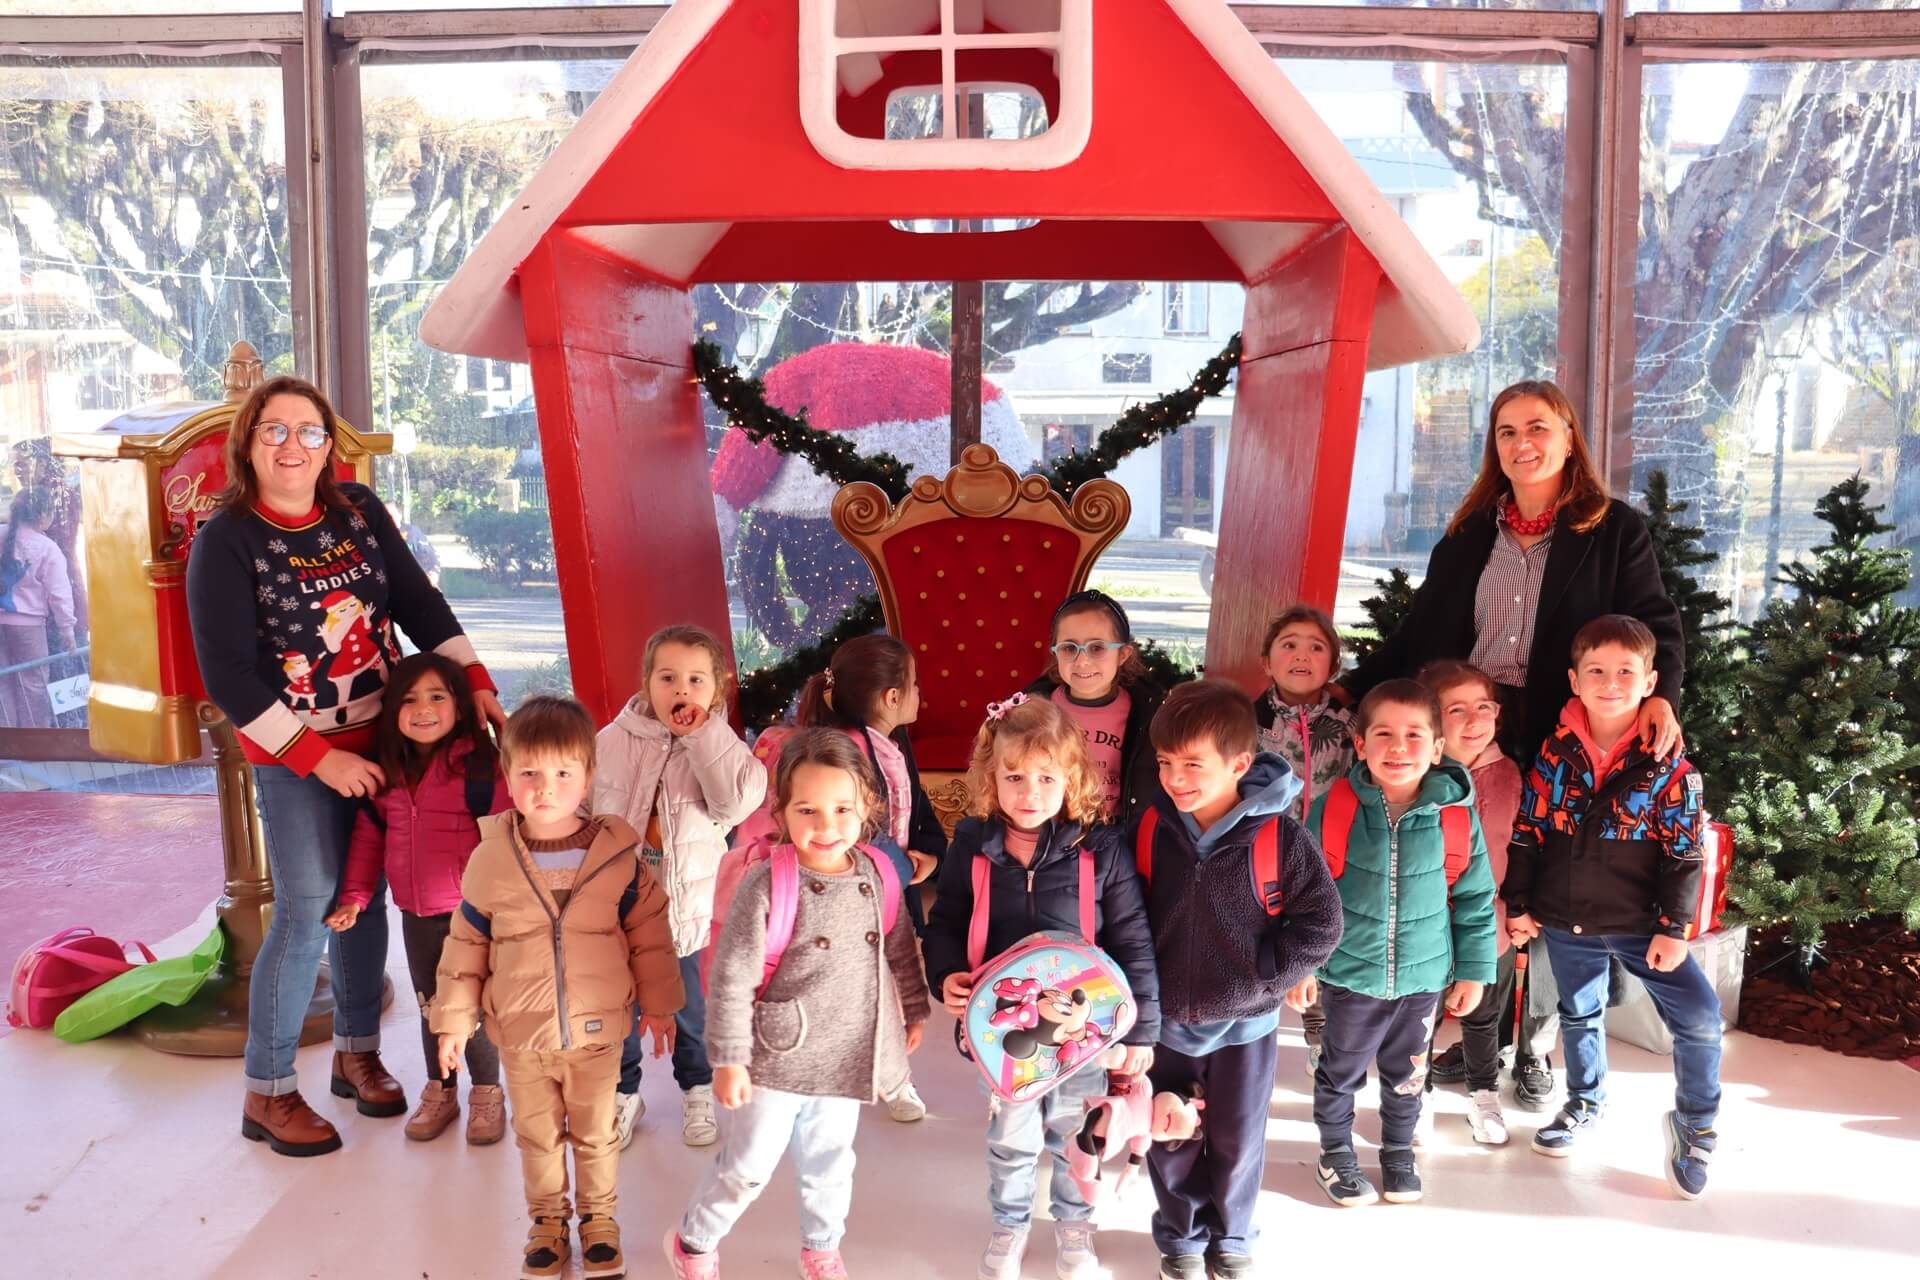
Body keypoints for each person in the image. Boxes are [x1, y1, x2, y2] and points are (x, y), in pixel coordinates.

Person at [1342, 378, 1686, 1108]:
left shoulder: (1613, 530)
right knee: (1483, 884)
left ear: (1568, 437)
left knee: (1549, 891)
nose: (1522, 443)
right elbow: (1418, 631)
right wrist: (1354, 688)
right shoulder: (1470, 535)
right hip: (1475, 727)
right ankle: (1481, 1040)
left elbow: (1655, 625)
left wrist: (1660, 696)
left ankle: (1534, 1047)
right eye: (1506, 431)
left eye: (1537, 428)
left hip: (1564, 731)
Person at [187, 375, 506, 1157]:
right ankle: (268, 1090)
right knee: (307, 907)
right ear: (247, 443)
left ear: (329, 445)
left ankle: (356, 1052)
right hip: (294, 752)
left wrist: (473, 678)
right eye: (274, 430)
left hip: (387, 741)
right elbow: (228, 676)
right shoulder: (225, 539)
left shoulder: (358, 510)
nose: (292, 445)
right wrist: (320, 759)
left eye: (309, 431)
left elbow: (417, 602)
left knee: (365, 900)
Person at [663, 728, 930, 1280]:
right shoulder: (767, 883)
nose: (826, 826)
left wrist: (914, 1005)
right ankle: (694, 1240)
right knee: (747, 1166)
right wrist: (728, 1058)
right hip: (776, 1056)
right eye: (807, 809)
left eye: (842, 809)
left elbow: (899, 945)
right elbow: (733, 975)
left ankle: (821, 1249)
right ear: (781, 810)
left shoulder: (877, 874)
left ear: (867, 807)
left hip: (846, 1053)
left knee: (830, 1164)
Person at [433, 696, 683, 1280]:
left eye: (563, 774)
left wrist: (661, 1005)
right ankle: (547, 1221)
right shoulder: (491, 858)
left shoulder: (617, 856)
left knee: (596, 1135)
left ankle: (599, 1221)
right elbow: (466, 945)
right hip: (522, 1036)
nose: (546, 788)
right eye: (530, 773)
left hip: (597, 1034)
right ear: (508, 775)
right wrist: (453, 1021)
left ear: (588, 777)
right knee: (537, 1137)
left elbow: (650, 935)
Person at [922, 694, 1160, 1280]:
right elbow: (945, 920)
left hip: (1085, 1031)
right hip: (1006, 1030)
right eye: (1015, 777)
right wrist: (945, 974)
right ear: (991, 777)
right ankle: (1010, 1223)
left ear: (1073, 777)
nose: (1029, 793)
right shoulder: (972, 844)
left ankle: (1075, 1221)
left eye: (1046, 778)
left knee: (1076, 1129)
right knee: (1011, 1135)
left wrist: (1143, 1030)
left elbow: (1133, 939)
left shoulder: (1101, 850)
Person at [1504, 615, 1720, 1200]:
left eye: (1626, 672)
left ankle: (1696, 1123)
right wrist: (1518, 902)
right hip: (1565, 917)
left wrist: (1674, 927)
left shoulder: (1671, 768)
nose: (1610, 683)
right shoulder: (1553, 754)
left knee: (1699, 1017)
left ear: (1650, 682)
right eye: (1596, 671)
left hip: (1642, 925)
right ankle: (1584, 1102)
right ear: (1575, 680)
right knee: (1579, 1012)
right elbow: (1528, 831)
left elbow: (1685, 851)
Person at [1140, 681, 1343, 1280]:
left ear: (1239, 764)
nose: (1175, 778)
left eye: (1192, 765)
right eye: (1165, 763)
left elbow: (1323, 921)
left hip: (1246, 1027)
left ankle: (1231, 1236)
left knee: (1237, 1139)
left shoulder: (1280, 837)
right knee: (1169, 1132)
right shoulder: (1150, 828)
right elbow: (1124, 913)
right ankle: (1181, 1236)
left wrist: (1269, 978)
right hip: (1166, 1023)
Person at [1293, 680, 1497, 1207]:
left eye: (1414, 735)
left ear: (1437, 747)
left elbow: (1475, 899)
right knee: (1339, 1072)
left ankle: (1399, 1152)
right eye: (1384, 734)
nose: (1399, 748)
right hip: (1349, 976)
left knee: (1409, 1075)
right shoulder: (1335, 808)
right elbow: (1305, 894)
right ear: (1361, 744)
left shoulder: (1456, 816)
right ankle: (1335, 1153)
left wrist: (1474, 972)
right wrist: (1302, 965)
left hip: (1422, 980)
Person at [324, 653, 511, 1144]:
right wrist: (354, 898)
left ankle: (487, 1092)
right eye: (409, 700)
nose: (423, 709)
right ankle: (441, 1089)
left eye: (436, 697)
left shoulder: (483, 770)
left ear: (460, 706)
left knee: (474, 1006)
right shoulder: (389, 773)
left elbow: (510, 841)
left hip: (473, 918)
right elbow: (369, 841)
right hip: (416, 917)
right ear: (392, 712)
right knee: (432, 1006)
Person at [596, 623, 767, 1150]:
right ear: (647, 682)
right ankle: (624, 1092)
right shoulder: (611, 741)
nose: (681, 690)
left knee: (691, 1008)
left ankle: (697, 1087)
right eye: (667, 678)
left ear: (717, 690)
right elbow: (584, 807)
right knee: (619, 1006)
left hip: (684, 907)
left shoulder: (720, 745)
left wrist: (703, 737)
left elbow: (736, 803)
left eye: (696, 680)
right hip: (618, 907)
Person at [792, 631, 945, 1123]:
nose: (920, 693)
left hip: (891, 893)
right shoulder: (847, 752)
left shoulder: (893, 744)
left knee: (891, 987)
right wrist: (902, 869)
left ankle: (894, 1076)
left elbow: (915, 810)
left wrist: (930, 857)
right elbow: (860, 836)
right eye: (915, 685)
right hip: (853, 898)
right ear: (892, 697)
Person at [1416, 659, 1526, 1143]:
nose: (1474, 720)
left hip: (1489, 923)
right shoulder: (1415, 776)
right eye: (1456, 709)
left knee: (1483, 1016)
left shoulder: (1509, 775)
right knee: (1423, 1015)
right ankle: (1414, 1094)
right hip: (1425, 926)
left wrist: (1520, 908)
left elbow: (1523, 847)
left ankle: (1484, 1094)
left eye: (1484, 707)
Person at [1250, 604, 1353, 1076]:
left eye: (1316, 647)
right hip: (1267, 851)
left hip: (1333, 852)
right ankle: (1253, 1029)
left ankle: (1319, 1033)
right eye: (1288, 644)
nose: (1301, 655)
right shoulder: (1247, 722)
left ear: (1333, 664)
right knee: (1265, 938)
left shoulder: (1351, 724)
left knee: (1319, 937)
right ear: (1267, 660)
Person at [1026, 589, 1168, 833]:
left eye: (1097, 648)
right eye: (1069, 648)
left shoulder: (1148, 713)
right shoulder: (1033, 710)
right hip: (1049, 833)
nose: (1082, 661)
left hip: (1116, 836)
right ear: (1055, 652)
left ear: (1123, 654)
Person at [0, 486, 78, 729]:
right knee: (32, 684)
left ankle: (6, 740)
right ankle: (33, 740)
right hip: (29, 628)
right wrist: (67, 629)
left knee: (3, 683)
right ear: (43, 515)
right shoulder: (47, 547)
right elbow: (59, 594)